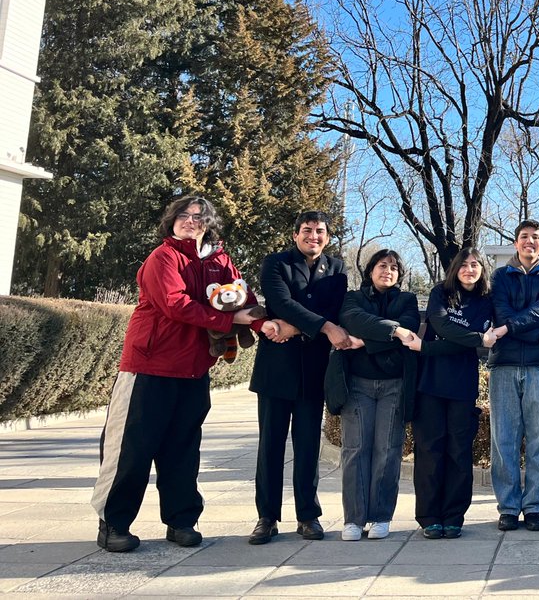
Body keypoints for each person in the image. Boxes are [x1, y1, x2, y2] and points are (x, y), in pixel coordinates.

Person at [93, 196, 268, 552]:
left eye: (199, 217)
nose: (191, 221)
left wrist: (268, 322)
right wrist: (229, 319)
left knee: (183, 450)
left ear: (208, 224)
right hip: (148, 368)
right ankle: (113, 523)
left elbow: (242, 297)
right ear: (171, 220)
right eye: (184, 216)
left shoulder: (220, 260)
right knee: (131, 450)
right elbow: (176, 305)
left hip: (193, 371)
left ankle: (181, 520)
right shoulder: (163, 258)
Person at [247, 211, 350, 544]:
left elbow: (334, 308)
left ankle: (308, 515)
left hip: (313, 368)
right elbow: (280, 301)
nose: (313, 236)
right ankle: (267, 517)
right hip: (277, 367)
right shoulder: (276, 263)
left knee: (308, 446)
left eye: (320, 231)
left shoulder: (336, 268)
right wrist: (323, 326)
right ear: (295, 235)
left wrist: (297, 326)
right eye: (307, 230)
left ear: (328, 237)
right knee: (271, 445)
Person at [408, 247, 503, 539]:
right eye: (464, 264)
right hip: (431, 383)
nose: (469, 269)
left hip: (462, 385)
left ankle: (454, 516)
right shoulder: (441, 293)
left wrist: (428, 346)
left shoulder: (486, 300)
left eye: (475, 264)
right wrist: (476, 338)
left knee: (459, 451)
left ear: (482, 270)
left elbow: (456, 339)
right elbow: (440, 325)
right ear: (455, 269)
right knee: (429, 450)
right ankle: (429, 517)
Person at [336, 249, 419, 541]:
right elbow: (353, 319)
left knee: (388, 449)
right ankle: (354, 519)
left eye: (394, 267)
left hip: (394, 385)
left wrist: (365, 341)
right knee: (355, 449)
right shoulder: (352, 299)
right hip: (357, 384)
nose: (388, 271)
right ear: (371, 269)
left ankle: (381, 516)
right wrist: (393, 333)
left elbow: (409, 336)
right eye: (382, 265)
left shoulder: (407, 300)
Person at [488, 219, 539, 532]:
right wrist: (538, 336)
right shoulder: (499, 276)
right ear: (515, 242)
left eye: (535, 237)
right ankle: (508, 507)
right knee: (503, 439)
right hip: (504, 366)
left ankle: (533, 506)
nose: (529, 241)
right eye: (524, 237)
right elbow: (502, 315)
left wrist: (509, 330)